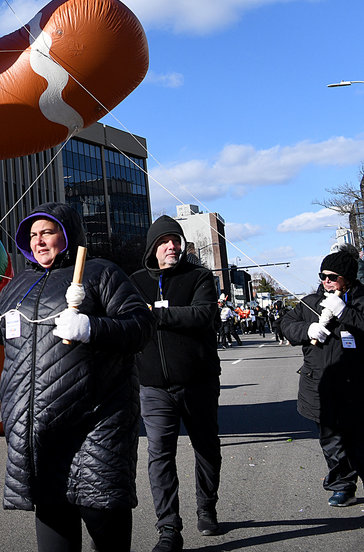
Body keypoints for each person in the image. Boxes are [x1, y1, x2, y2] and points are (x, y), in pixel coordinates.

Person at [0, 202, 152, 552]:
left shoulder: (100, 273)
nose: (39, 241)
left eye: (46, 232)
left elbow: (140, 328)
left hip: (97, 427)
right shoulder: (21, 285)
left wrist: (91, 327)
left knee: (105, 530)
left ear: (67, 234)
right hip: (40, 431)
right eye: (32, 235)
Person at [280, 250, 364, 522]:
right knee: (333, 443)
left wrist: (346, 313)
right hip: (323, 387)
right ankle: (342, 486)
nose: (326, 281)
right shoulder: (311, 302)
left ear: (346, 278)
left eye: (333, 277)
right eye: (322, 276)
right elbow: (286, 325)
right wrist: (307, 330)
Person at [129, 217, 222, 551]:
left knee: (207, 447)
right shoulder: (135, 281)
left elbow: (201, 315)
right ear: (153, 247)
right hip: (152, 387)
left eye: (176, 240)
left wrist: (154, 314)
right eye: (165, 241)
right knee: (159, 455)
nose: (172, 246)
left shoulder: (199, 277)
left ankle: (206, 506)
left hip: (198, 381)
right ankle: (168, 528)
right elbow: (125, 320)